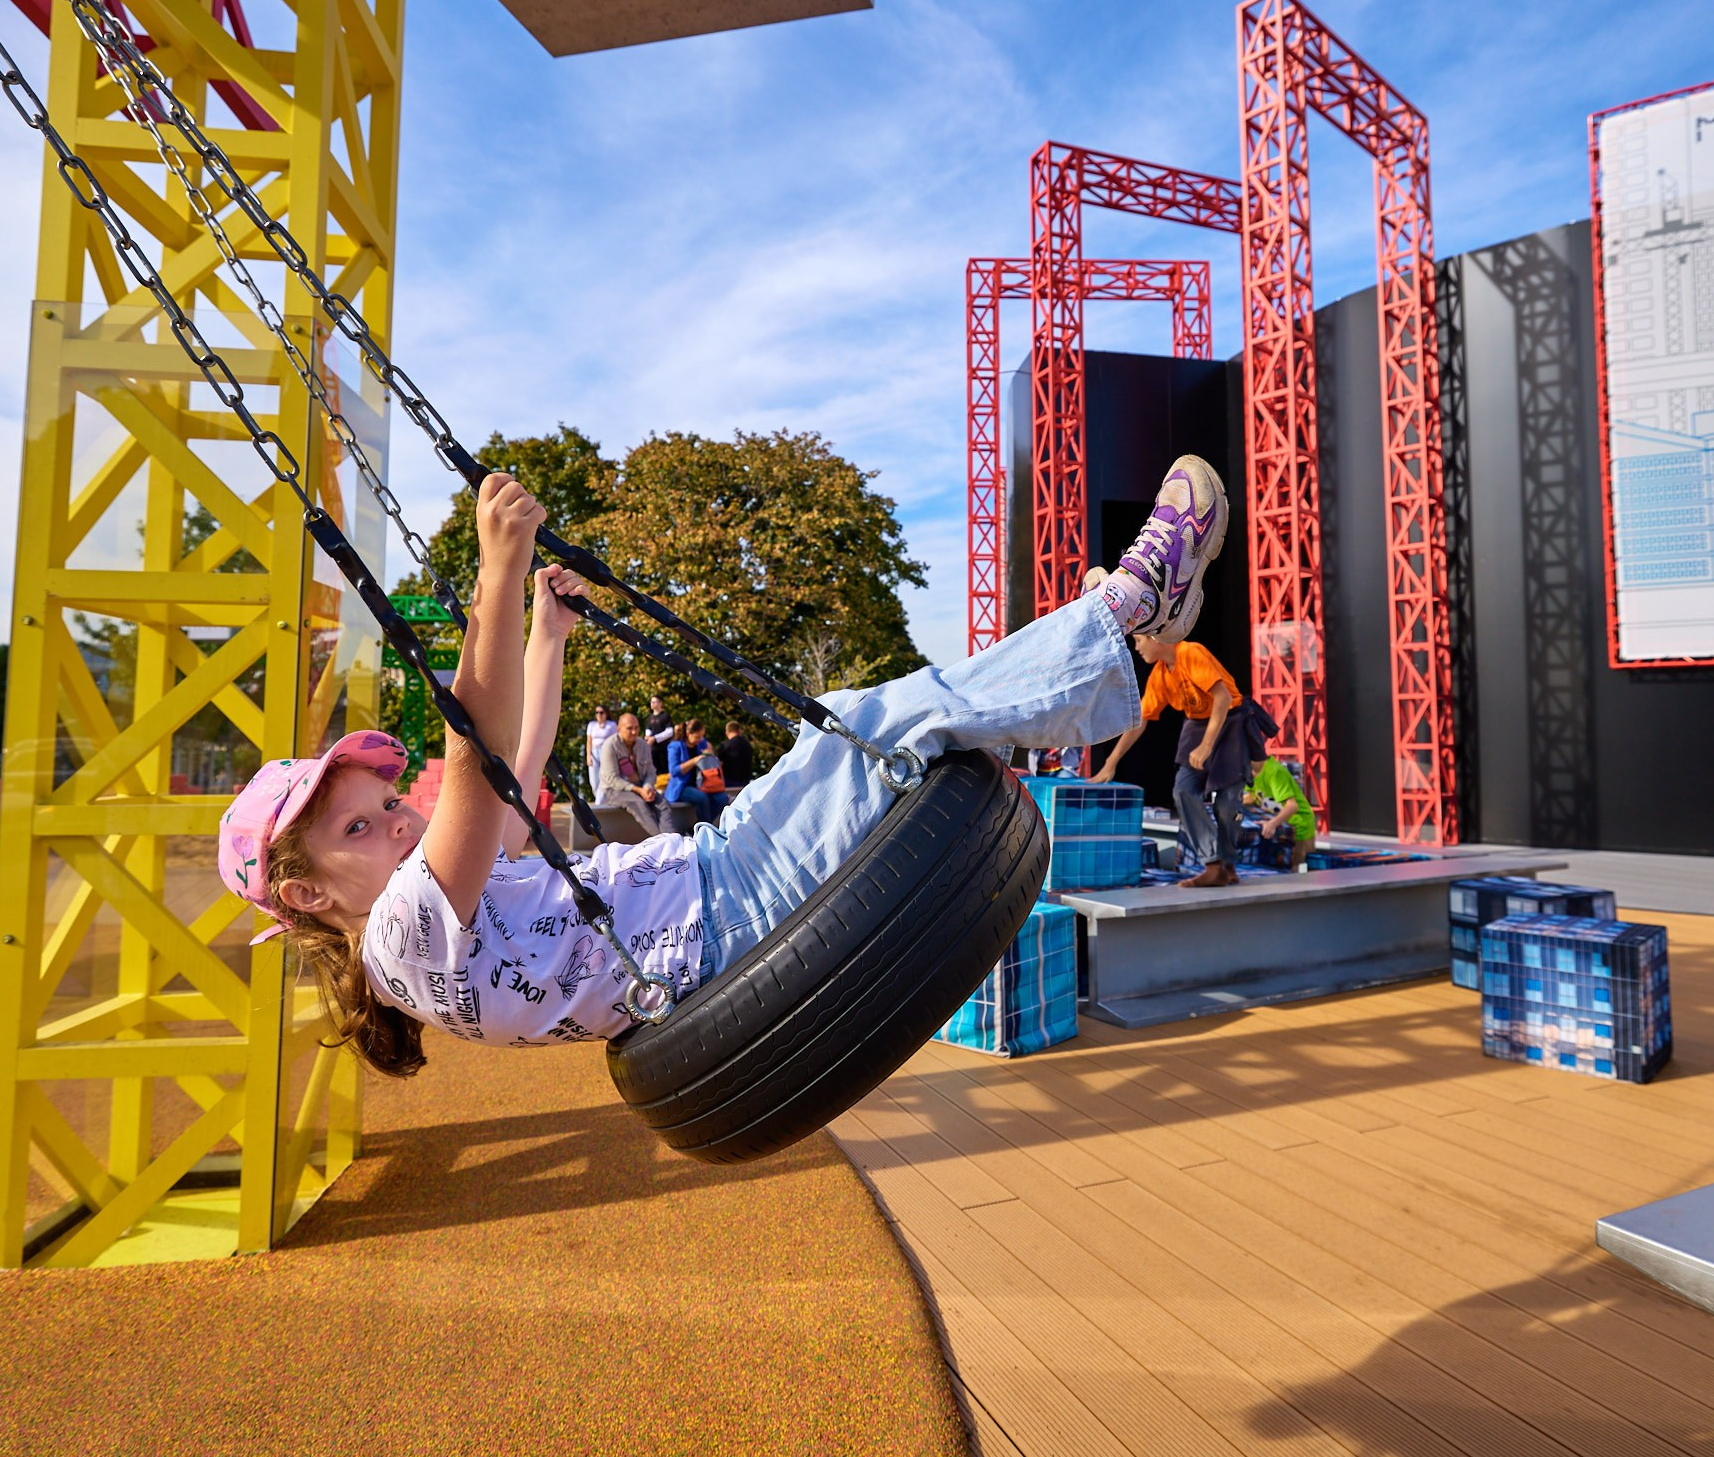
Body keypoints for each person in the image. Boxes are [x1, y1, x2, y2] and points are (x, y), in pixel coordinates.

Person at [214, 454, 1225, 1068]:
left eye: (388, 801)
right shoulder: (401, 937)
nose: (398, 819)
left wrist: (546, 638)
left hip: (712, 885)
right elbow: (475, 760)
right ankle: (1129, 609)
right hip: (723, 912)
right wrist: (497, 571)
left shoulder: (434, 920)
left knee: (852, 720)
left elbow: (515, 770)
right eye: (359, 826)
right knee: (878, 724)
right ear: (306, 897)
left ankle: (1108, 638)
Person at [1095, 628, 1245, 888]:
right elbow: (1140, 722)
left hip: (1229, 721)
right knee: (1183, 790)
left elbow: (1222, 697)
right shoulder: (1160, 675)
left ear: (1155, 638)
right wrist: (1111, 762)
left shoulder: (1191, 653)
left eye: (1139, 641)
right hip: (1196, 725)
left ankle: (1228, 866)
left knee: (1227, 804)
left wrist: (1207, 745)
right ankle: (1213, 864)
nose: (1137, 648)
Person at [588, 710, 660, 841]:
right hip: (614, 790)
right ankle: (661, 839)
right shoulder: (610, 745)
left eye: (636, 728)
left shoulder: (643, 745)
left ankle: (674, 839)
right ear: (619, 729)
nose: (634, 732)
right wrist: (638, 790)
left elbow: (650, 772)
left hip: (640, 787)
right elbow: (612, 779)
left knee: (661, 803)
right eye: (629, 728)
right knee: (638, 803)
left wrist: (647, 787)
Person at [1244, 755, 1316, 871]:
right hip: (1281, 824)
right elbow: (1254, 796)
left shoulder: (1274, 772)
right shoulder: (1250, 772)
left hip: (1299, 825)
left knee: (1295, 869)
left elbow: (1292, 806)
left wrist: (1273, 823)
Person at [665, 717, 723, 826]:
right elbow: (674, 771)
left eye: (702, 736)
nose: (700, 740)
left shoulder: (701, 744)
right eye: (697, 737)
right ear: (688, 733)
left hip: (701, 784)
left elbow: (709, 749)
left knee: (722, 798)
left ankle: (700, 826)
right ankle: (705, 828)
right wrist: (694, 761)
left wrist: (709, 754)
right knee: (701, 797)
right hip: (682, 786)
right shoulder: (675, 746)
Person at [716, 719, 756, 792]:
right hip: (745, 783)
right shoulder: (747, 745)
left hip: (728, 783)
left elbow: (719, 765)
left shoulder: (725, 745)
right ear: (739, 731)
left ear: (727, 732)